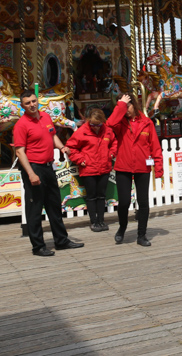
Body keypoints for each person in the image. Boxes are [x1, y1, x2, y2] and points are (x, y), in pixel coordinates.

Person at [13, 89, 84, 256]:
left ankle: (61, 240)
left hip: (48, 166)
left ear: (37, 101)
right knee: (35, 208)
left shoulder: (45, 116)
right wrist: (30, 173)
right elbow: (20, 152)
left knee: (54, 205)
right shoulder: (21, 125)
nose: (31, 105)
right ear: (23, 106)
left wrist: (62, 147)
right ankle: (38, 246)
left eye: (33, 101)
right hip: (33, 167)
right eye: (27, 103)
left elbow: (52, 136)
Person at [108, 94, 163, 247]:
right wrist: (120, 104)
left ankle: (142, 235)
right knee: (124, 202)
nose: (126, 110)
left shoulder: (147, 123)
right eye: (124, 108)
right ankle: (122, 227)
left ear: (135, 105)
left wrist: (158, 167)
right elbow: (110, 123)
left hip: (142, 166)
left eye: (128, 106)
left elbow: (155, 146)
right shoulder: (120, 123)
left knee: (143, 202)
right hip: (123, 166)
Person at [64, 107, 117, 233]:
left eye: (99, 125)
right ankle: (94, 221)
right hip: (88, 168)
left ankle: (101, 220)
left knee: (101, 196)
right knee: (92, 196)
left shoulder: (107, 131)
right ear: (88, 121)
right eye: (93, 125)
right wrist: (80, 159)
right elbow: (71, 147)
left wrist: (111, 154)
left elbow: (114, 143)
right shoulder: (81, 131)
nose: (96, 127)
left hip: (104, 167)